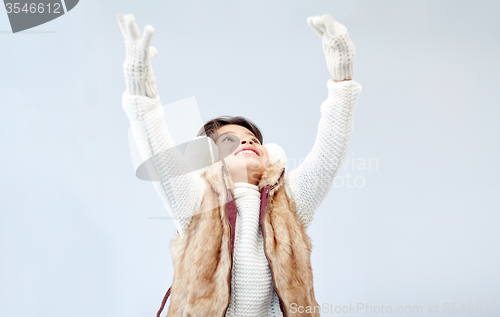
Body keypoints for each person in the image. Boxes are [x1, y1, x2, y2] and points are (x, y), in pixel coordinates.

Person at [117, 13, 362, 317]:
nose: (246, 143)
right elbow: (161, 156)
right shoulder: (196, 200)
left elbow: (330, 151)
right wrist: (142, 97)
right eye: (229, 142)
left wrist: (343, 82)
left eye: (252, 139)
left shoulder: (290, 200)